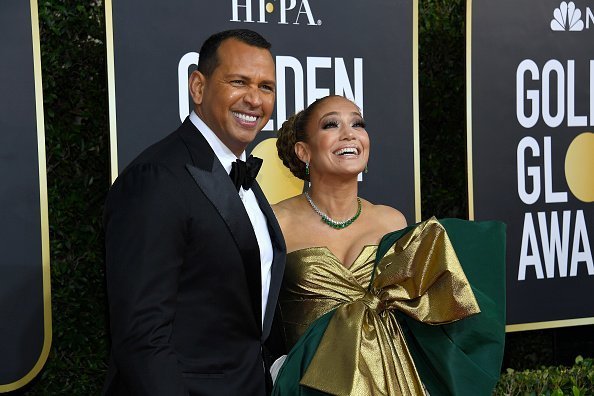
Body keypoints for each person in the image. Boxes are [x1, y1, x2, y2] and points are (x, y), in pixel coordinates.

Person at [271, 95, 506, 395]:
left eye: (358, 123)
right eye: (331, 124)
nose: (349, 133)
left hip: (391, 382)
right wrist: (280, 370)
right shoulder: (276, 221)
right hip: (307, 385)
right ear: (303, 151)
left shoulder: (390, 221)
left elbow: (421, 313)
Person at [103, 29, 286, 396]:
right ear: (198, 87)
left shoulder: (240, 173)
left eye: (266, 87)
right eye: (239, 82)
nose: (254, 99)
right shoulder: (156, 177)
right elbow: (141, 336)